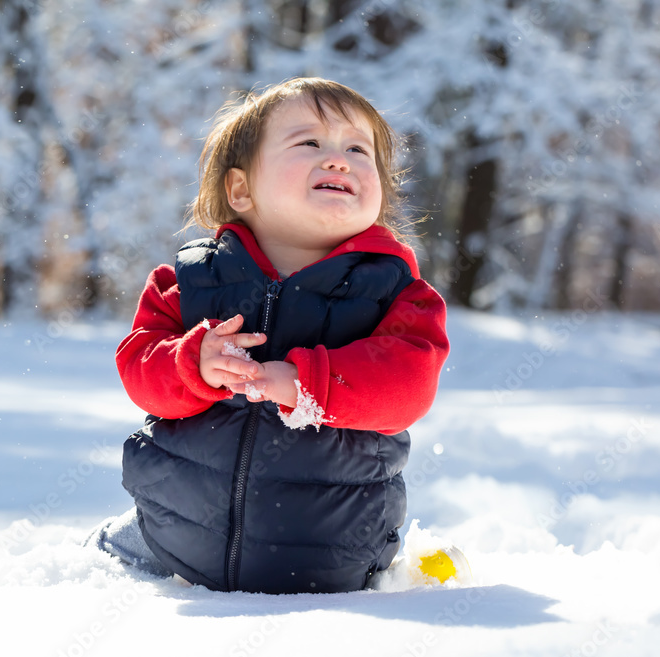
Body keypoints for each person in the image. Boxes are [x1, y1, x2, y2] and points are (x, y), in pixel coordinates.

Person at [89, 77, 450, 594]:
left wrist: (312, 383)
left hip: (333, 552)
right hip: (168, 539)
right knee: (86, 573)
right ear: (241, 189)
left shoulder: (396, 293)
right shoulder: (189, 284)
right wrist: (192, 364)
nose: (339, 159)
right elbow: (140, 369)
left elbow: (408, 384)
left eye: (357, 148)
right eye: (310, 143)